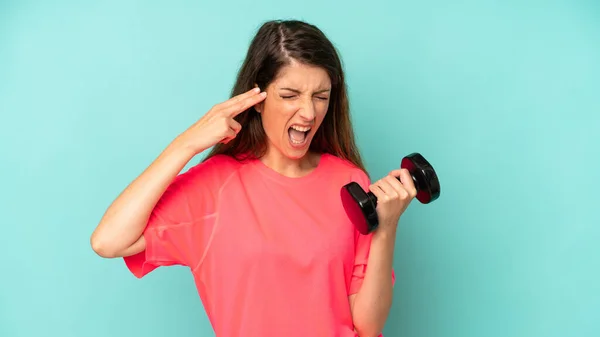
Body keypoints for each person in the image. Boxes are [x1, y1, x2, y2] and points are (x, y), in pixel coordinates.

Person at [90, 19, 417, 337]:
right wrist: (186, 143)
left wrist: (386, 228)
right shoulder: (215, 186)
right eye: (290, 95)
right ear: (257, 100)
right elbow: (108, 241)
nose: (308, 112)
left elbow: (368, 325)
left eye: (321, 96)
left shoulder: (348, 179)